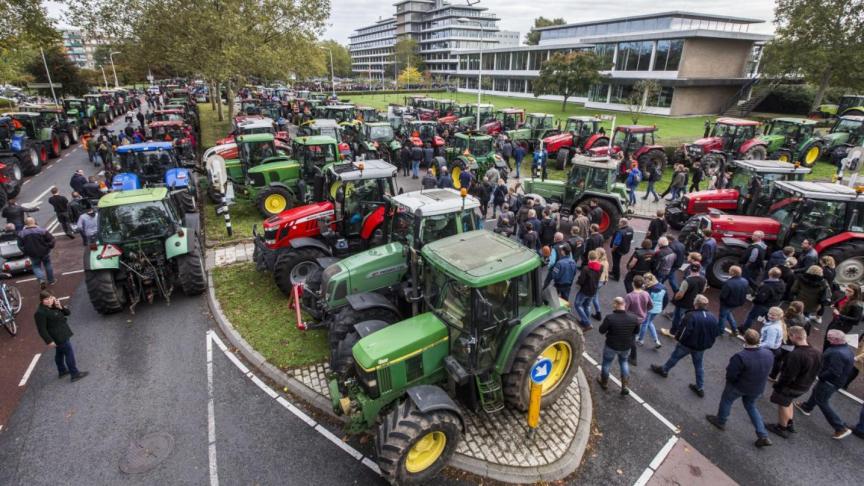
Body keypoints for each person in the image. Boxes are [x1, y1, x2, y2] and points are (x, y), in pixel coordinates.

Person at [705, 329, 775, 447]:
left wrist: (731, 382)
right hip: (757, 388)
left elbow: (731, 374)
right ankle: (762, 434)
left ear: (745, 339)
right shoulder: (768, 353)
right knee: (751, 407)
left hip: (739, 386)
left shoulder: (741, 356)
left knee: (727, 401)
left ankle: (721, 421)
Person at [651, 295, 720, 397]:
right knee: (699, 366)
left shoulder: (690, 315)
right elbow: (716, 332)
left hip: (687, 344)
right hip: (701, 346)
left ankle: (664, 370)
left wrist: (678, 339)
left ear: (695, 304)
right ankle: (700, 387)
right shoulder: (712, 317)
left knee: (674, 357)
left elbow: (684, 331)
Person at [795, 329, 856, 439]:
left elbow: (834, 372)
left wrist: (821, 376)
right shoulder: (846, 349)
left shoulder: (837, 353)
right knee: (817, 392)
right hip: (836, 382)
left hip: (829, 382)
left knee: (822, 401)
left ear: (836, 340)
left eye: (829, 338)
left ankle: (840, 427)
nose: (827, 339)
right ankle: (807, 407)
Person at [766, 326, 821, 438]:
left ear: (794, 336)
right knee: (788, 402)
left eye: (789, 336)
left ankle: (781, 427)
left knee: (783, 404)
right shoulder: (817, 352)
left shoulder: (796, 355)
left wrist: (778, 385)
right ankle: (789, 423)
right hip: (805, 385)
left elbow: (788, 375)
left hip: (791, 386)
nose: (788, 338)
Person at [34, 290, 88, 383]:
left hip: (63, 332)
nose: (49, 300)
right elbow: (42, 329)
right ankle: (74, 374)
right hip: (57, 337)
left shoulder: (54, 305)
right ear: (41, 300)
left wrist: (60, 307)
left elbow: (68, 313)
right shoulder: (40, 313)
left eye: (51, 298)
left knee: (59, 353)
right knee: (69, 352)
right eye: (46, 299)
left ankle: (62, 371)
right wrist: (49, 341)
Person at [598, 297, 641, 396]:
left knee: (607, 363)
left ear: (615, 305)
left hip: (611, 345)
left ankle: (604, 382)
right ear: (624, 304)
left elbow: (601, 331)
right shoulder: (634, 318)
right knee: (624, 362)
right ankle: (624, 386)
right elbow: (636, 332)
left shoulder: (610, 318)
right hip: (626, 346)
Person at [739, 267, 785, 333]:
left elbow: (760, 298)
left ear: (770, 274)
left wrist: (754, 300)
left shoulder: (767, 286)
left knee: (751, 316)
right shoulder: (781, 284)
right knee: (770, 321)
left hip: (762, 305)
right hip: (772, 305)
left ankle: (744, 329)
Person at [669, 264, 707, 336]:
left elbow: (680, 295)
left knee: (677, 318)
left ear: (690, 269)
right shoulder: (704, 280)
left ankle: (673, 332)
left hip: (683, 303)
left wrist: (675, 298)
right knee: (687, 319)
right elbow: (703, 290)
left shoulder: (687, 281)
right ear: (699, 270)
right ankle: (682, 333)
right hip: (694, 303)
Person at [18, 217, 56, 289]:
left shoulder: (21, 233)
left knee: (36, 266)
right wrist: (49, 247)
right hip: (44, 252)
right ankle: (51, 280)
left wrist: (26, 251)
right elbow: (52, 240)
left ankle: (41, 280)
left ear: (26, 223)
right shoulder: (42, 230)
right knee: (47, 264)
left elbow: (20, 245)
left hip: (32, 254)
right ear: (34, 222)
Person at [624, 275, 653, 366]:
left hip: (630, 320)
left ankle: (633, 357)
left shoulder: (629, 296)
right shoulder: (646, 294)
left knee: (631, 337)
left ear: (633, 283)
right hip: (640, 320)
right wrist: (644, 311)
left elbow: (624, 310)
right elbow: (651, 305)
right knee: (632, 335)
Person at [823, 283, 863, 350]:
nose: (847, 292)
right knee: (827, 338)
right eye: (846, 289)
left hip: (843, 325)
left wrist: (839, 315)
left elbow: (856, 320)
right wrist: (835, 305)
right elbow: (838, 303)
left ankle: (828, 353)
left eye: (850, 291)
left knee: (832, 341)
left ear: (855, 293)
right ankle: (825, 352)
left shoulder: (857, 305)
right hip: (836, 320)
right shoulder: (845, 296)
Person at [573, 250, 602, 331]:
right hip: (593, 290)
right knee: (587, 305)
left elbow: (581, 281)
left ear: (589, 257)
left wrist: (578, 282)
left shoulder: (586, 268)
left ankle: (587, 323)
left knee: (577, 305)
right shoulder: (601, 267)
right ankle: (585, 321)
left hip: (585, 290)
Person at [718, 265, 749, 336]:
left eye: (730, 270)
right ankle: (735, 330)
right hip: (737, 303)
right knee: (728, 313)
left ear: (733, 272)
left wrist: (722, 301)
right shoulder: (745, 281)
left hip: (727, 303)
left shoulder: (728, 283)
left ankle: (720, 331)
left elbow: (723, 296)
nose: (729, 271)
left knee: (722, 317)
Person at [640, 273, 665, 349]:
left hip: (649, 309)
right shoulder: (663, 287)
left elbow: (645, 300)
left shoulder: (649, 289)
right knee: (650, 322)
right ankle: (656, 340)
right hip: (658, 309)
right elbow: (666, 299)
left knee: (644, 324)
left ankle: (640, 340)